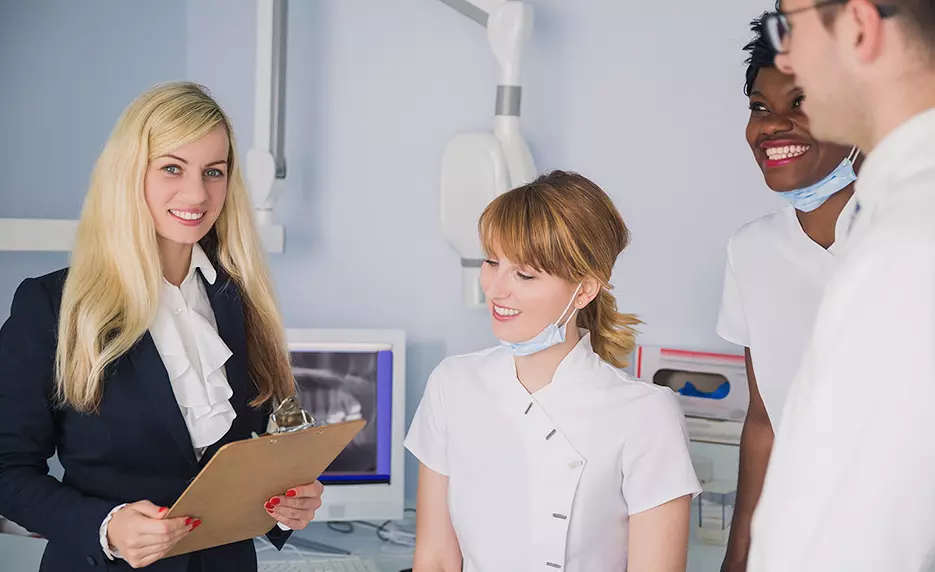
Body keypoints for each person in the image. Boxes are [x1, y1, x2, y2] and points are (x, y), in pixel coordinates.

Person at [0, 82, 323, 571]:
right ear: (130, 175)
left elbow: (254, 454)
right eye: (172, 167)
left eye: (213, 172)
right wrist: (105, 525)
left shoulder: (241, 298)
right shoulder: (51, 305)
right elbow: (6, 471)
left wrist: (286, 505)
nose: (197, 193)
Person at [405, 171, 701, 572]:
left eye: (524, 274)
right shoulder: (452, 385)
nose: (494, 289)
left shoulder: (644, 412)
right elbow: (437, 560)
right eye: (492, 262)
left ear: (584, 290)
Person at [746, 2, 935, 571]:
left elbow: (851, 538)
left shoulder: (907, 248)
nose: (786, 57)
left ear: (859, 26)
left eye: (790, 28)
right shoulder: (885, 220)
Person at [717, 13, 862, 572]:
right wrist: (739, 557)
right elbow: (764, 418)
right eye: (759, 107)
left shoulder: (905, 241)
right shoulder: (751, 252)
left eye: (799, 102)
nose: (771, 126)